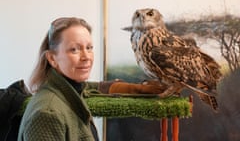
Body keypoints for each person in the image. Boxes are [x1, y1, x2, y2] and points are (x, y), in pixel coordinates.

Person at [17, 17, 165, 141]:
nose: (86, 57)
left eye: (89, 48)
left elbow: (92, 88)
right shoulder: (47, 114)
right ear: (52, 58)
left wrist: (137, 89)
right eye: (74, 49)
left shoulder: (67, 89)